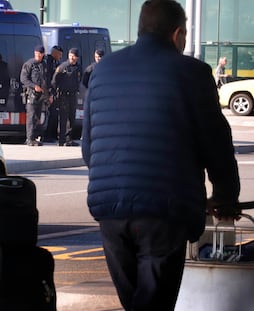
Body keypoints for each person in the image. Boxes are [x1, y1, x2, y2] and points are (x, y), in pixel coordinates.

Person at [81, 1, 240, 310]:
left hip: (110, 210)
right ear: (177, 33)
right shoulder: (193, 73)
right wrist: (225, 196)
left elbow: (89, 146)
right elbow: (216, 143)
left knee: (138, 302)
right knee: (154, 303)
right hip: (163, 209)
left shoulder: (102, 72)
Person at [20, 45, 52, 146]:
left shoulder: (44, 65)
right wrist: (34, 86)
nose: (38, 55)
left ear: (43, 54)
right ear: (34, 53)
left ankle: (34, 138)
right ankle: (29, 139)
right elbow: (23, 79)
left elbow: (47, 81)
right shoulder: (29, 64)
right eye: (37, 53)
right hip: (32, 94)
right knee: (31, 117)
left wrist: (49, 95)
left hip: (41, 96)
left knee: (37, 117)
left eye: (40, 53)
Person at [52, 47, 82, 146]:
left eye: (74, 56)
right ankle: (62, 139)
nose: (73, 58)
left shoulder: (78, 68)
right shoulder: (62, 67)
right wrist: (55, 93)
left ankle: (69, 139)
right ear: (69, 56)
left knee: (72, 117)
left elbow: (79, 80)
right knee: (63, 117)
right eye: (71, 56)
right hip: (63, 96)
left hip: (73, 95)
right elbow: (54, 81)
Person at [44, 45, 63, 142]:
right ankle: (47, 136)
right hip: (48, 92)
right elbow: (48, 79)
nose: (60, 57)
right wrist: (50, 93)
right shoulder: (48, 62)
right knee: (50, 114)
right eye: (59, 54)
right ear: (54, 53)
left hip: (55, 92)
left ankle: (53, 135)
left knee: (55, 114)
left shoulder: (56, 62)